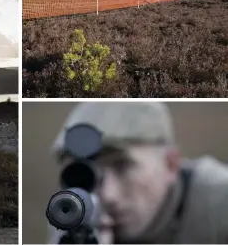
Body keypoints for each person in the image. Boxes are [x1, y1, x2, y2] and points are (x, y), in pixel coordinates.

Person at [47, 102, 228, 244]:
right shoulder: (77, 214)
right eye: (87, 175)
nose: (109, 195)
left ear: (170, 164)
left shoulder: (219, 205)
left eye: (122, 167)